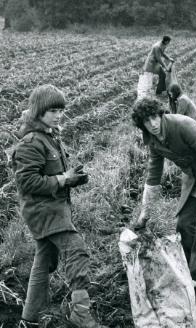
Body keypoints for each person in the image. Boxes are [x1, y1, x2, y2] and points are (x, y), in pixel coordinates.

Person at [12, 85, 108, 328]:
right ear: (38, 111)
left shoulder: (50, 137)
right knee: (77, 250)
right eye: (52, 110)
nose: (58, 115)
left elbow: (53, 174)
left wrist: (72, 179)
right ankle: (80, 314)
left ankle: (28, 319)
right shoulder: (31, 142)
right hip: (44, 211)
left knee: (43, 262)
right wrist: (63, 179)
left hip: (54, 207)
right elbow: (26, 181)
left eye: (60, 110)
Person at [130, 97, 196, 285]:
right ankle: (190, 268)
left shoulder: (182, 125)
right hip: (194, 175)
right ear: (142, 125)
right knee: (184, 223)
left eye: (154, 117)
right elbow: (154, 173)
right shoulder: (153, 140)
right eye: (147, 122)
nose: (153, 124)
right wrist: (145, 212)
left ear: (160, 114)